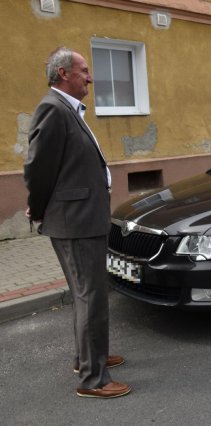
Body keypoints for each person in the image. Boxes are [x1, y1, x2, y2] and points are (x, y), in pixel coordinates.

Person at [23, 47, 131, 398]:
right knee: (91, 297)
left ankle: (89, 357)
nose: (90, 77)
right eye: (84, 70)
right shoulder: (53, 110)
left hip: (82, 218)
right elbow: (38, 169)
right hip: (76, 222)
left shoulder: (67, 110)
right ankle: (94, 379)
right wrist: (37, 208)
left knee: (87, 296)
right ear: (63, 75)